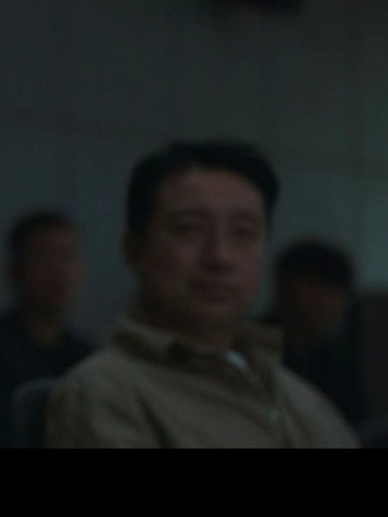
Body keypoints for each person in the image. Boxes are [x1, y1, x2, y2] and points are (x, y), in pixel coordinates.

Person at [45, 140, 357, 448]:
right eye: (189, 229)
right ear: (134, 249)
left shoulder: (298, 395)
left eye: (243, 233)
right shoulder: (107, 391)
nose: (220, 257)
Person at [0, 210, 93, 447]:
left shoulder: (87, 357)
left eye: (67, 256)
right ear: (14, 270)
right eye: (43, 256)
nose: (57, 270)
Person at [265, 239, 366, 426]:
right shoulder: (252, 348)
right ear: (283, 285)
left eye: (334, 291)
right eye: (313, 286)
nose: (324, 301)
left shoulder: (337, 363)